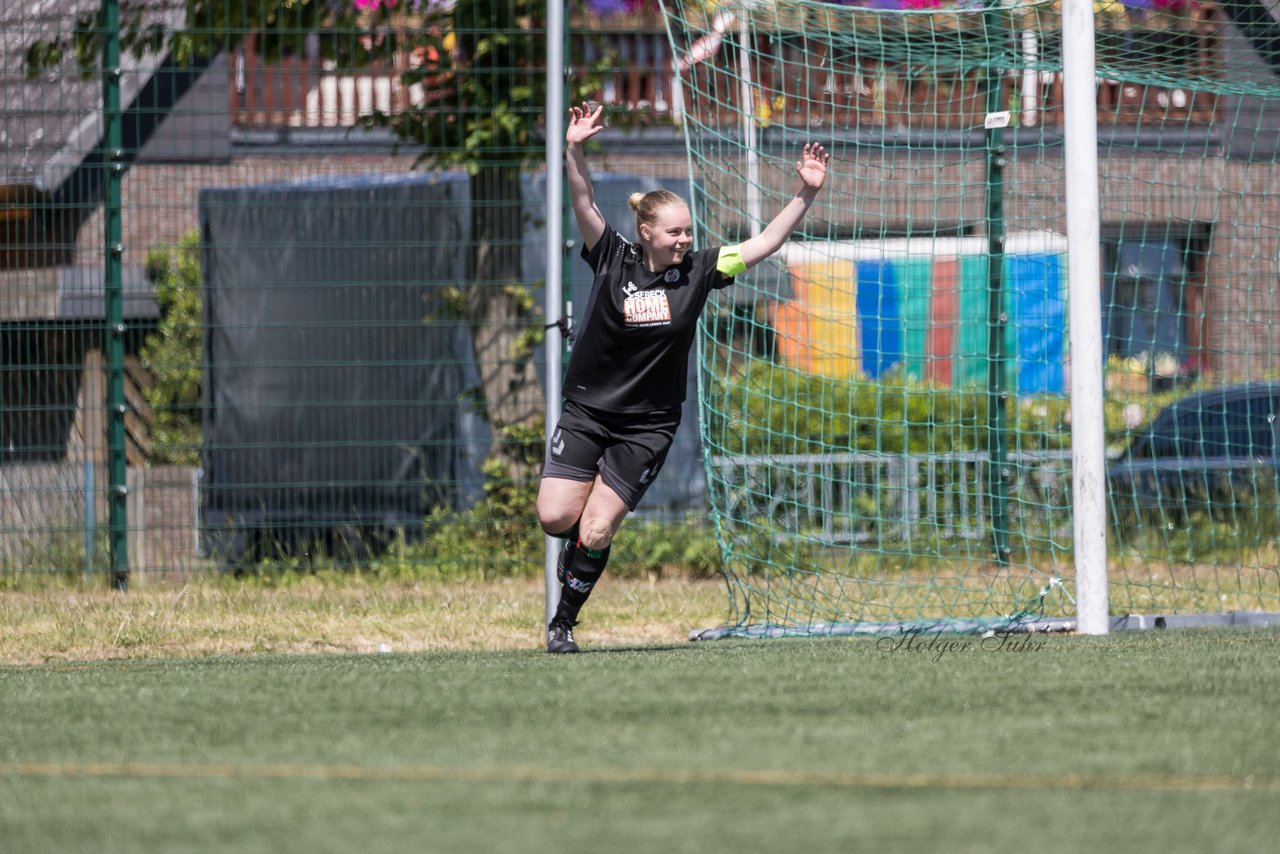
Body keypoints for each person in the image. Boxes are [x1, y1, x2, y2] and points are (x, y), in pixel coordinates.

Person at [537, 101, 831, 653]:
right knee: (556, 517)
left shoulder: (700, 271)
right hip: (588, 410)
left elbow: (764, 244)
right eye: (672, 233)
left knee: (596, 529)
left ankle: (563, 623)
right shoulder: (611, 256)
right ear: (645, 232)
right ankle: (575, 556)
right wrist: (574, 149)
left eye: (688, 233)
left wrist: (806, 192)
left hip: (646, 425)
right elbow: (581, 197)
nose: (682, 241)